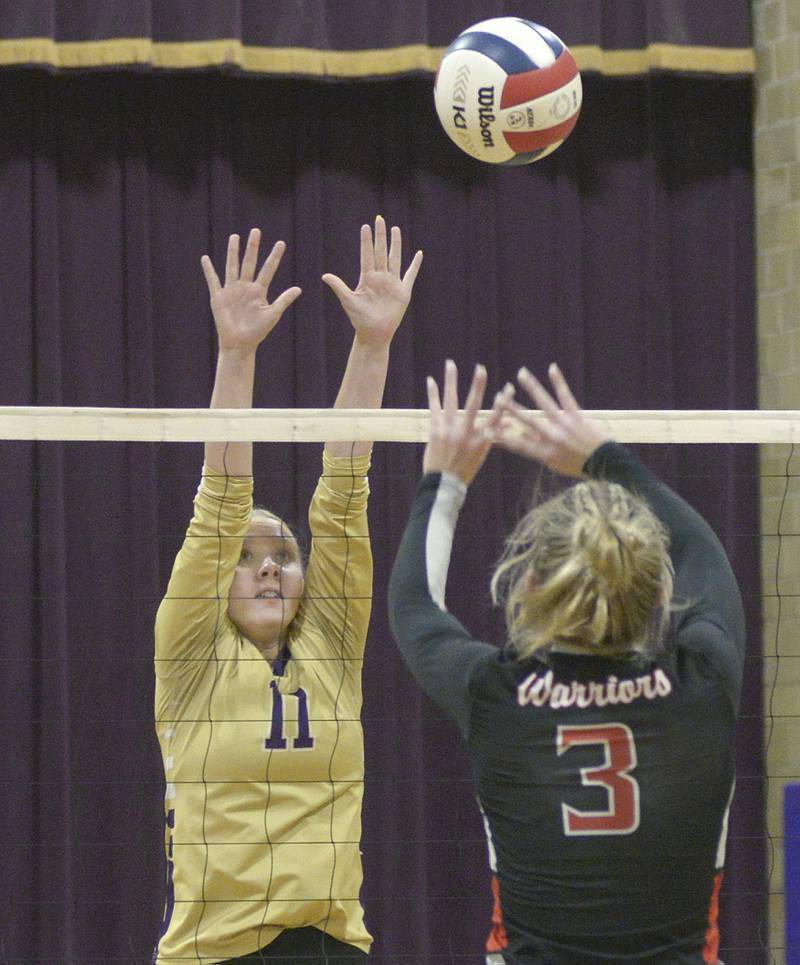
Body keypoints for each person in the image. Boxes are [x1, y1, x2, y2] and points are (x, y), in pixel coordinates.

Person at [388, 360, 744, 964]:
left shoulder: (497, 695)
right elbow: (704, 553)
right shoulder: (703, 683)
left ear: (528, 586)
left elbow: (414, 606)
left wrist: (443, 482)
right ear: (662, 592)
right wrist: (606, 455)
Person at [153, 217, 422, 964]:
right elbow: (221, 503)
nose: (270, 566)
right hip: (215, 950)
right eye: (250, 557)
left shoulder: (331, 645)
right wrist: (236, 354)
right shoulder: (188, 655)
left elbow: (342, 494)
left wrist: (374, 344)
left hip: (331, 944)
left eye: (285, 554)